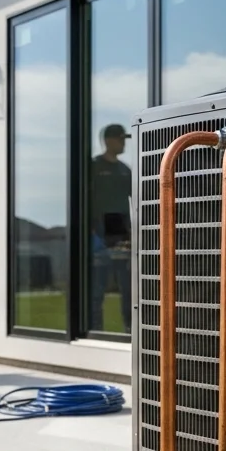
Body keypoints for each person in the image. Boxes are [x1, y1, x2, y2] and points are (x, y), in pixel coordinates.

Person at [88, 123, 132, 334]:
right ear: (108, 140)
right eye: (120, 139)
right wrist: (91, 230)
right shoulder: (93, 167)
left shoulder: (125, 170)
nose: (123, 143)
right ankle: (95, 330)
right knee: (97, 288)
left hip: (121, 234)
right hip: (97, 233)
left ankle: (130, 329)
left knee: (128, 288)